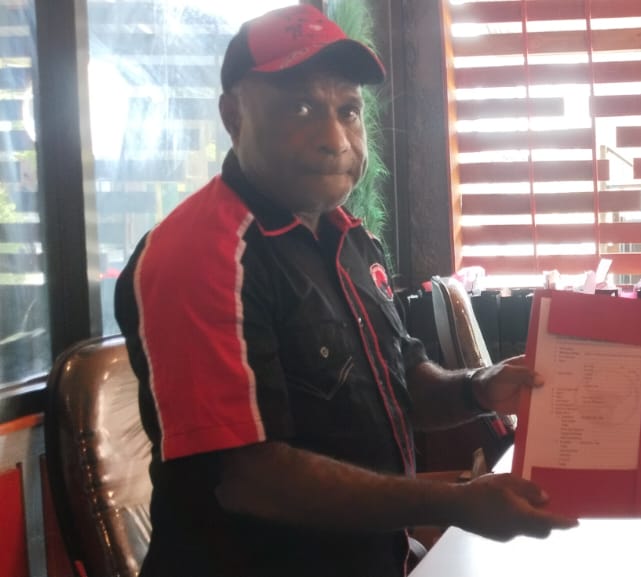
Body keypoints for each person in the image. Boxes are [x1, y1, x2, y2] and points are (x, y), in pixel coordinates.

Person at [114, 6, 576, 577]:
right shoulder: (203, 255)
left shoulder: (349, 239)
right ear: (233, 116)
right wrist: (454, 503)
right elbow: (248, 478)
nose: (335, 140)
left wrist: (480, 388)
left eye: (348, 111)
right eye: (301, 108)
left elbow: (402, 383)